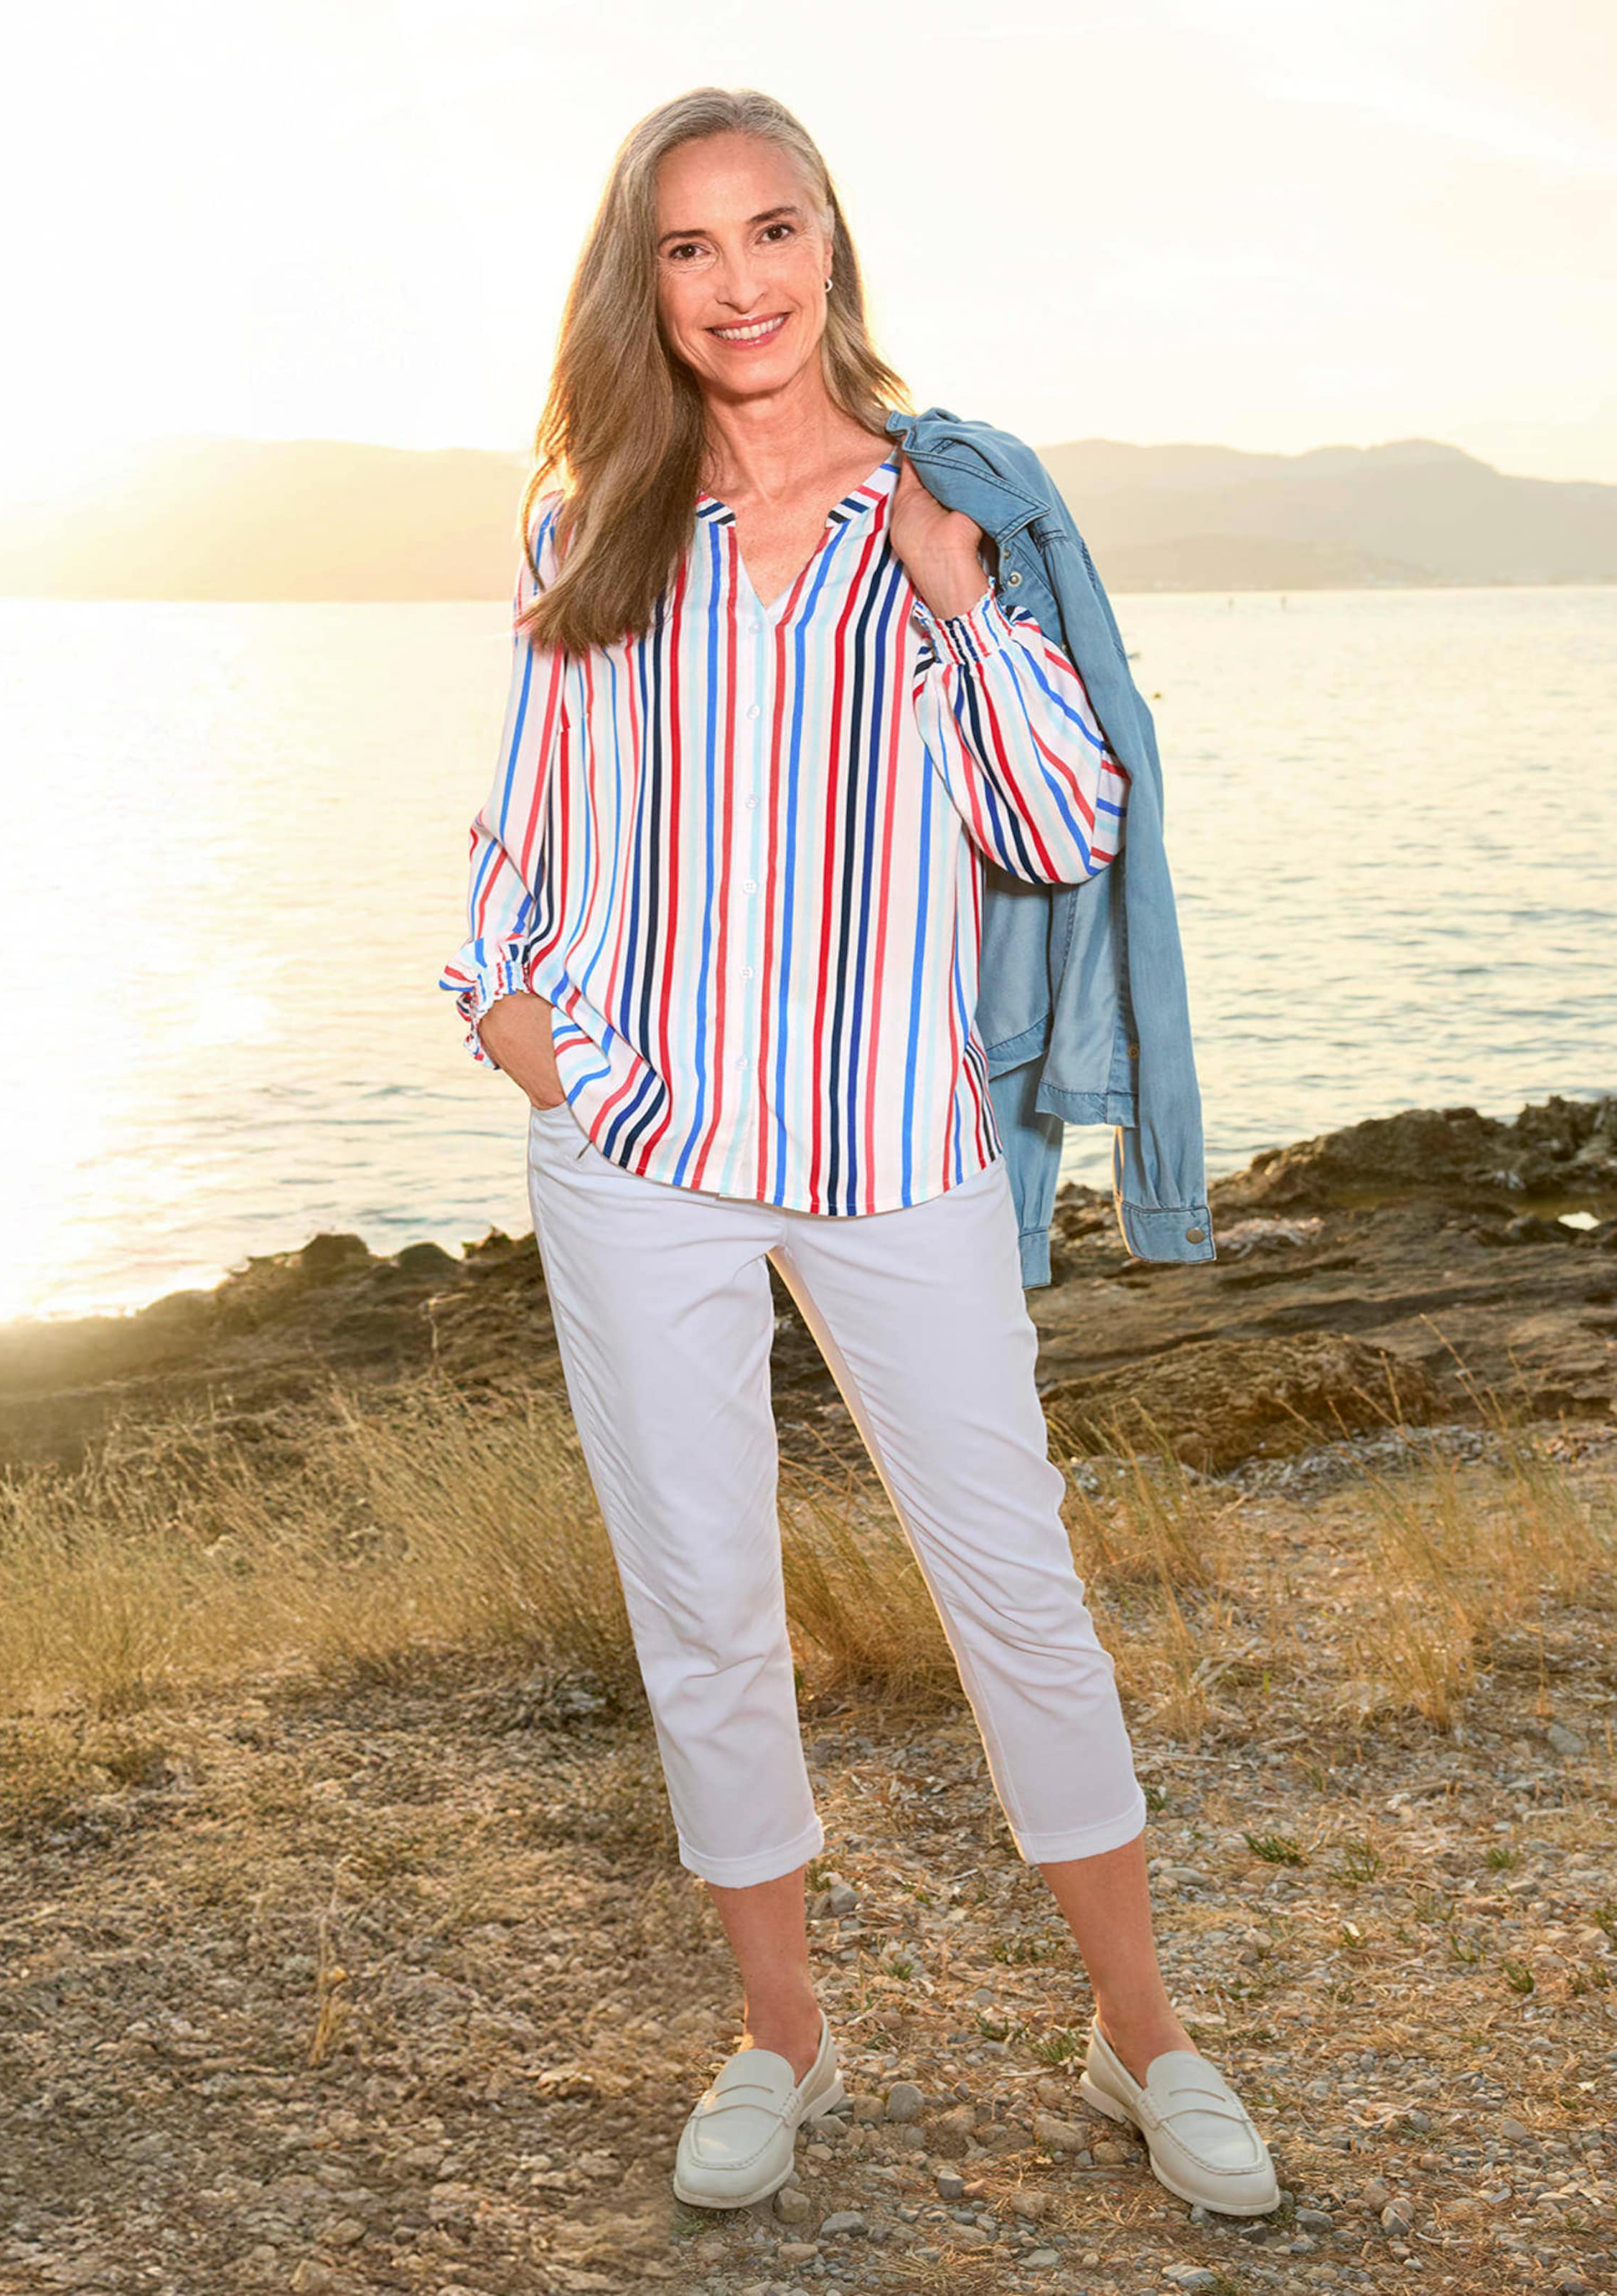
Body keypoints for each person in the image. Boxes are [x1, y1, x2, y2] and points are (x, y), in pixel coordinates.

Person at [439, 85, 1276, 2223]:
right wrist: (524, 1030)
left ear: (831, 243)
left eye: (772, 231)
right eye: (689, 247)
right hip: (638, 1148)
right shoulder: (594, 524)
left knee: (1018, 1593)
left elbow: (1060, 825)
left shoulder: (947, 504)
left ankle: (1143, 2037)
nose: (739, 283)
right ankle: (782, 2041)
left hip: (899, 1147)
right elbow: (526, 820)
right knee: (703, 1602)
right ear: (643, 284)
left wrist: (965, 604)